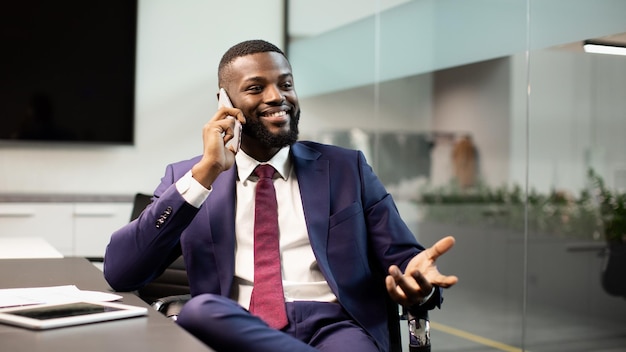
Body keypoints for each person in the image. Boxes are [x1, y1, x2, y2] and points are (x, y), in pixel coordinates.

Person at [103, 39, 458, 352]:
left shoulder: (347, 168)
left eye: (285, 84)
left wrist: (420, 287)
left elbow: (406, 262)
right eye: (256, 88)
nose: (277, 96)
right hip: (238, 324)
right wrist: (206, 172)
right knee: (200, 310)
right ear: (225, 102)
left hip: (335, 325)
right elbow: (122, 272)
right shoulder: (189, 177)